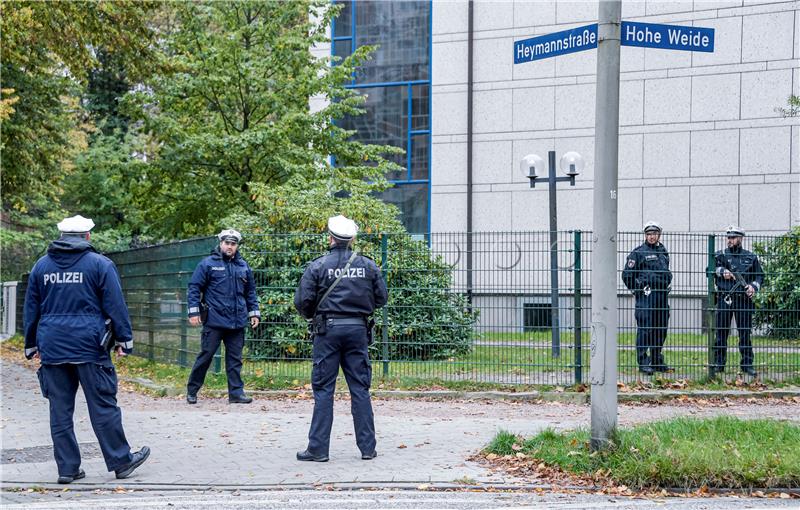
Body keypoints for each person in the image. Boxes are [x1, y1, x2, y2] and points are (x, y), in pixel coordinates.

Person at [23, 215, 150, 484]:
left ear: (60, 237)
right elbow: (116, 304)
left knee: (59, 410)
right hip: (90, 347)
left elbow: (31, 307)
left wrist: (31, 344)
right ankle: (121, 461)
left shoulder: (41, 267)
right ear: (88, 236)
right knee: (103, 405)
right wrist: (124, 341)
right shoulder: (100, 265)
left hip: (53, 348)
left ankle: (67, 469)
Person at [293, 215, 388, 462]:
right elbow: (382, 298)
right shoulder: (368, 265)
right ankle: (368, 448)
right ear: (352, 239)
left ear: (331, 238)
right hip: (358, 331)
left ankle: (318, 449)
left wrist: (315, 315)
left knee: (324, 389)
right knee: (360, 389)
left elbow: (302, 302)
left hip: (327, 332)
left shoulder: (318, 266)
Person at [186, 228, 260, 404]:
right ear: (221, 244)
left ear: (237, 246)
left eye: (233, 244)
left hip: (237, 321)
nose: (230, 246)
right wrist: (194, 311)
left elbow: (250, 292)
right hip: (214, 320)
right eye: (227, 243)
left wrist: (254, 313)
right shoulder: (207, 264)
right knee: (205, 356)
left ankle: (236, 394)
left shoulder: (243, 266)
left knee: (235, 360)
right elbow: (194, 288)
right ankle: (192, 390)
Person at [621, 220, 673, 375]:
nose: (652, 237)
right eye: (649, 234)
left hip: (662, 296)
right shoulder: (638, 253)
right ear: (645, 235)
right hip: (646, 296)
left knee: (660, 329)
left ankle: (656, 360)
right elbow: (626, 275)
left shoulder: (663, 251)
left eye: (654, 234)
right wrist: (638, 290)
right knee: (645, 329)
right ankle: (643, 362)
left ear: (659, 235)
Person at [712, 226, 764, 377]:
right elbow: (710, 269)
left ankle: (747, 364)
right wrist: (722, 272)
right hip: (725, 298)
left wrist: (754, 286)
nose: (730, 240)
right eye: (728, 237)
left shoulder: (751, 257)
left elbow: (760, 276)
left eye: (733, 237)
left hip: (743, 300)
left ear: (741, 238)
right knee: (721, 333)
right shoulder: (719, 255)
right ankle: (718, 364)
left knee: (745, 334)